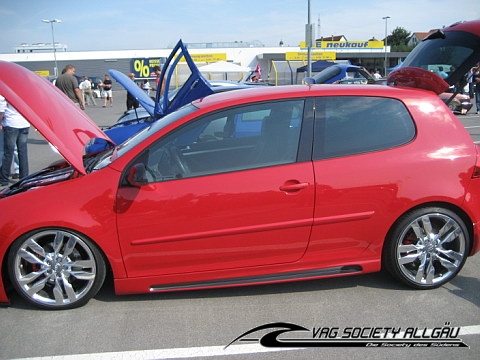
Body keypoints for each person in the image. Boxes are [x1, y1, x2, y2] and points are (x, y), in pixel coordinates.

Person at [0, 95, 30, 187]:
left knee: (8, 152)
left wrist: (0, 122)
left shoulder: (4, 93)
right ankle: (24, 177)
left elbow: (2, 110)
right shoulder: (22, 92)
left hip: (11, 123)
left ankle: (4, 178)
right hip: (24, 123)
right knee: (22, 152)